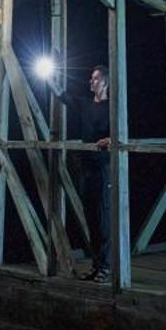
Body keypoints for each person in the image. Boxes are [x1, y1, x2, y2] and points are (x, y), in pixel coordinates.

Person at [77, 64, 112, 281]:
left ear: (105, 82)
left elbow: (129, 128)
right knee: (90, 218)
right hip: (86, 168)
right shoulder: (85, 106)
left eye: (96, 78)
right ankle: (96, 264)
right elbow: (63, 96)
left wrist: (112, 138)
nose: (92, 81)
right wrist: (50, 74)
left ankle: (106, 267)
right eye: (91, 78)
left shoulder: (113, 107)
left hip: (103, 168)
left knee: (103, 219)